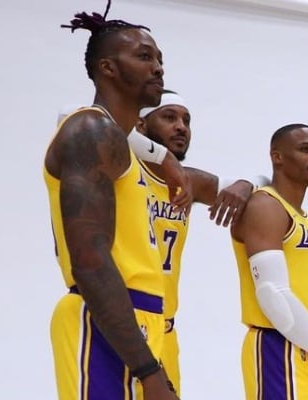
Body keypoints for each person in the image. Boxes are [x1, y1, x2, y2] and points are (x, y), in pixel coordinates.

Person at [45, 3, 182, 399]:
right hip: (105, 319)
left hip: (138, 322)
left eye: (159, 59)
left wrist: (164, 157)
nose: (157, 67)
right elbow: (90, 262)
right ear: (107, 68)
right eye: (143, 56)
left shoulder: (121, 143)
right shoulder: (90, 131)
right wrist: (147, 370)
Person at [136, 89, 269, 396]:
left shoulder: (189, 181)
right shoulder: (121, 166)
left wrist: (244, 183)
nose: (181, 126)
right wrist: (160, 156)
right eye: (169, 117)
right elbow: (74, 113)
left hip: (164, 328)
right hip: (124, 320)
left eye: (186, 120)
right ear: (140, 126)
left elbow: (267, 181)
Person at [230, 123, 308, 399]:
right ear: (277, 156)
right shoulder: (265, 206)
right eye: (305, 149)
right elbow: (272, 294)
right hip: (279, 347)